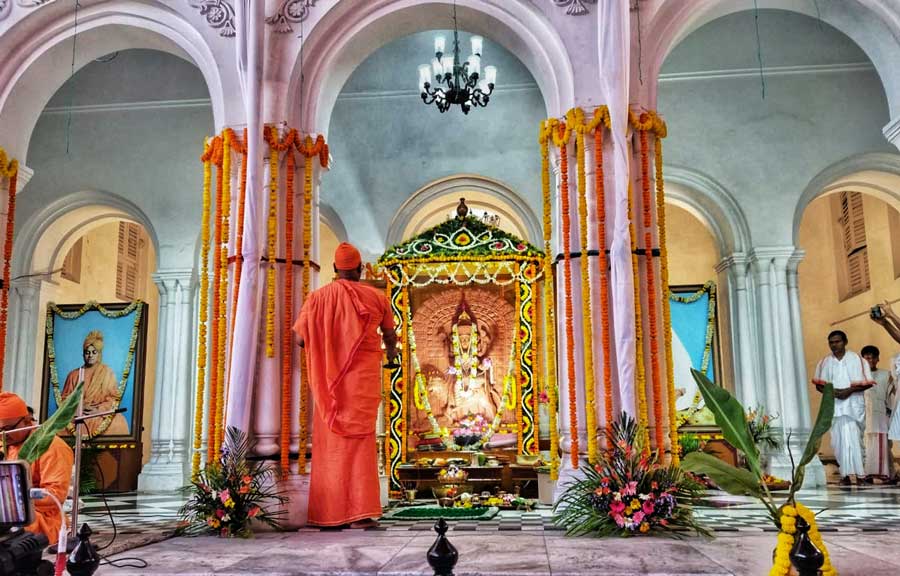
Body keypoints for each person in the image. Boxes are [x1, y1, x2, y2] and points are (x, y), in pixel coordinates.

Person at [293, 242, 398, 528]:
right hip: (362, 383)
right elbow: (390, 336)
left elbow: (301, 339)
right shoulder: (377, 297)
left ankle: (329, 516)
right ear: (361, 269)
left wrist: (328, 340)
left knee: (331, 446)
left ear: (335, 270)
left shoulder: (317, 298)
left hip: (329, 384)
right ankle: (360, 516)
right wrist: (391, 353)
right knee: (361, 446)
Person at [0, 392, 74, 545]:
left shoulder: (52, 447)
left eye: (7, 428)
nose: (3, 435)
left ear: (27, 421)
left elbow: (55, 495)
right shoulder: (4, 444)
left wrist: (16, 501)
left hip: (40, 519)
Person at [812, 330, 873, 486]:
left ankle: (860, 476)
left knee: (855, 441)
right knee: (838, 442)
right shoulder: (825, 362)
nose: (834, 345)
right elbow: (819, 385)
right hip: (835, 407)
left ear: (845, 341)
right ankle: (845, 476)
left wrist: (849, 390)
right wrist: (831, 392)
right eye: (831, 342)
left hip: (853, 407)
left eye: (837, 341)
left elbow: (866, 383)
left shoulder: (858, 360)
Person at [61, 330, 129, 437]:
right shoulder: (74, 375)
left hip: (99, 412)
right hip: (78, 413)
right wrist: (78, 408)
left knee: (119, 423)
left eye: (94, 352)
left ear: (99, 354)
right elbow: (65, 399)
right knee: (58, 426)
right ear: (83, 354)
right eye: (87, 352)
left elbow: (113, 398)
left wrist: (97, 410)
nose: (90, 356)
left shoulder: (107, 372)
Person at [861, 345, 894, 482]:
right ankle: (867, 474)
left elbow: (891, 394)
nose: (870, 360)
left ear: (878, 359)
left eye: (873, 357)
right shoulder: (858, 376)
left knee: (883, 444)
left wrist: (890, 409)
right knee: (866, 444)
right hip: (863, 415)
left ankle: (884, 474)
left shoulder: (886, 375)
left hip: (880, 414)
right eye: (867, 358)